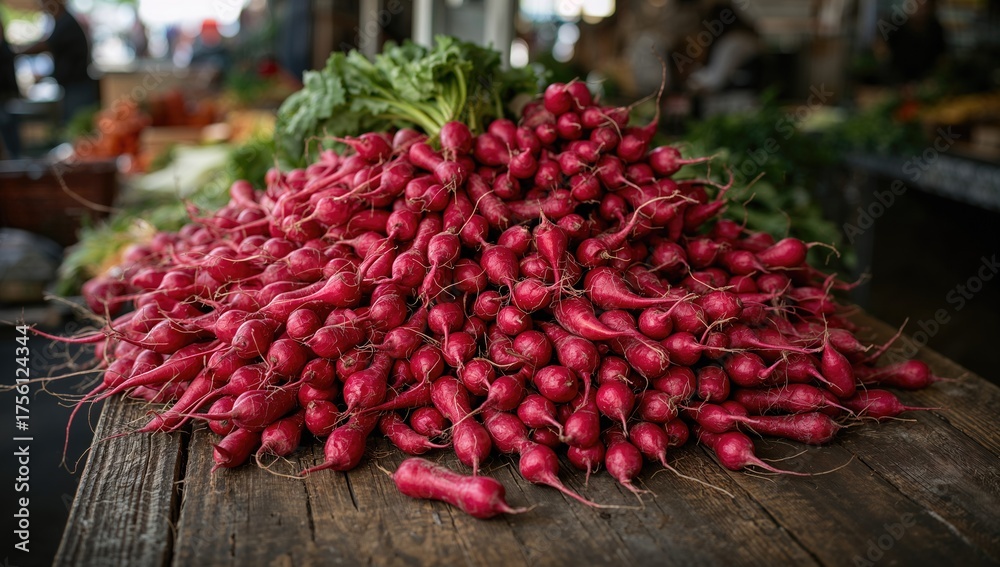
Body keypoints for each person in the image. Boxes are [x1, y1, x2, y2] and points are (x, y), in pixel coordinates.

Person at [18, 0, 99, 124]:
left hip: (77, 86)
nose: (44, 8)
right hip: (74, 85)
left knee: (76, 124)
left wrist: (16, 52)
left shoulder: (65, 23)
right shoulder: (64, 21)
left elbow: (46, 45)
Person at [0, 13, 21, 158]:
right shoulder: (5, 47)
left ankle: (14, 160)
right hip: (6, 96)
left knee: (10, 130)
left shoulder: (5, 48)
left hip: (6, 96)